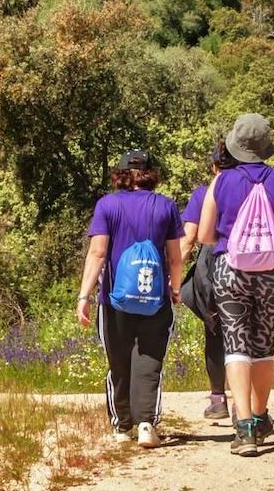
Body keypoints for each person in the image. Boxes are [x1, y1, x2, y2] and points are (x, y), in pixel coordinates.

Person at [198, 113, 274, 457]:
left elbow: (204, 235)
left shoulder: (222, 181)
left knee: (235, 345)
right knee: (263, 347)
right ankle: (260, 418)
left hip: (230, 271)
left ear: (236, 144)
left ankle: (243, 428)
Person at [76, 150, 185, 449]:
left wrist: (84, 296)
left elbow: (98, 253)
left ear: (121, 174)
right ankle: (147, 424)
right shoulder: (166, 206)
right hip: (156, 299)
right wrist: (175, 289)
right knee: (150, 360)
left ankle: (122, 427)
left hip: (114, 300)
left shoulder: (107, 205)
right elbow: (175, 257)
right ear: (151, 173)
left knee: (119, 362)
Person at [179, 138, 238, 423]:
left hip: (213, 267)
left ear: (214, 166)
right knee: (248, 334)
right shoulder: (252, 188)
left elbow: (189, 238)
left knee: (214, 333)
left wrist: (173, 276)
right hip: (251, 265)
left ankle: (218, 400)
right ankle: (250, 404)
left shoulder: (204, 193)